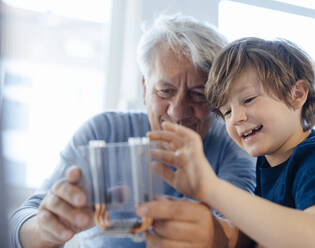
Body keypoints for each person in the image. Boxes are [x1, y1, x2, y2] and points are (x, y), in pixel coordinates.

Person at [9, 15, 256, 248]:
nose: (178, 112)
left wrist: (218, 237)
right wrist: (46, 228)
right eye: (165, 91)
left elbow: (247, 231)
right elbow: (19, 221)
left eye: (198, 95)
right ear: (144, 88)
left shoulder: (232, 146)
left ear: (216, 98)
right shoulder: (103, 131)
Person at [143, 37, 315, 247]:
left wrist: (211, 188)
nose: (237, 118)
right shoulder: (267, 164)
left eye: (249, 99)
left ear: (298, 94)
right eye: (227, 112)